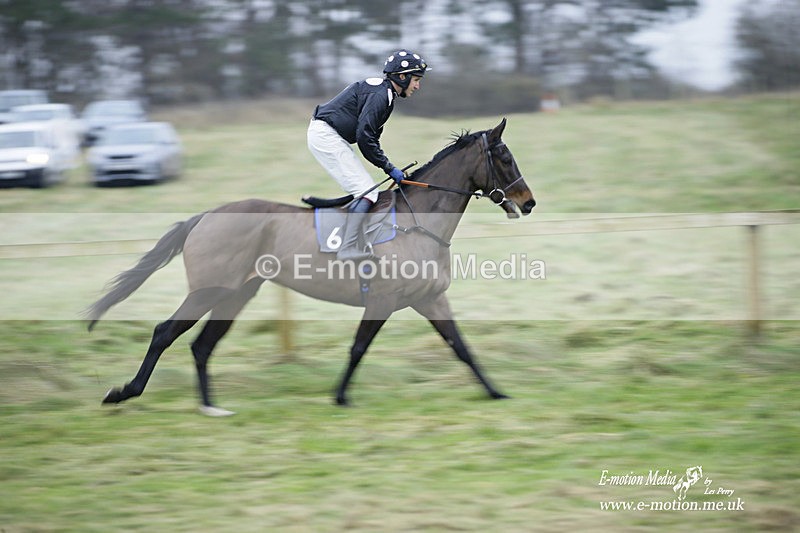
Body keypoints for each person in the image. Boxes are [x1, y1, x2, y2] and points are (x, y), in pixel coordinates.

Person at [308, 49, 430, 261]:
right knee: (367, 191)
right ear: (402, 77)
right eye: (416, 80)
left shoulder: (386, 95)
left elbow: (370, 138)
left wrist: (388, 166)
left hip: (328, 135)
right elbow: (364, 138)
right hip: (326, 136)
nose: (417, 86)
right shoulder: (381, 96)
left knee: (365, 188)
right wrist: (389, 168)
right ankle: (348, 247)